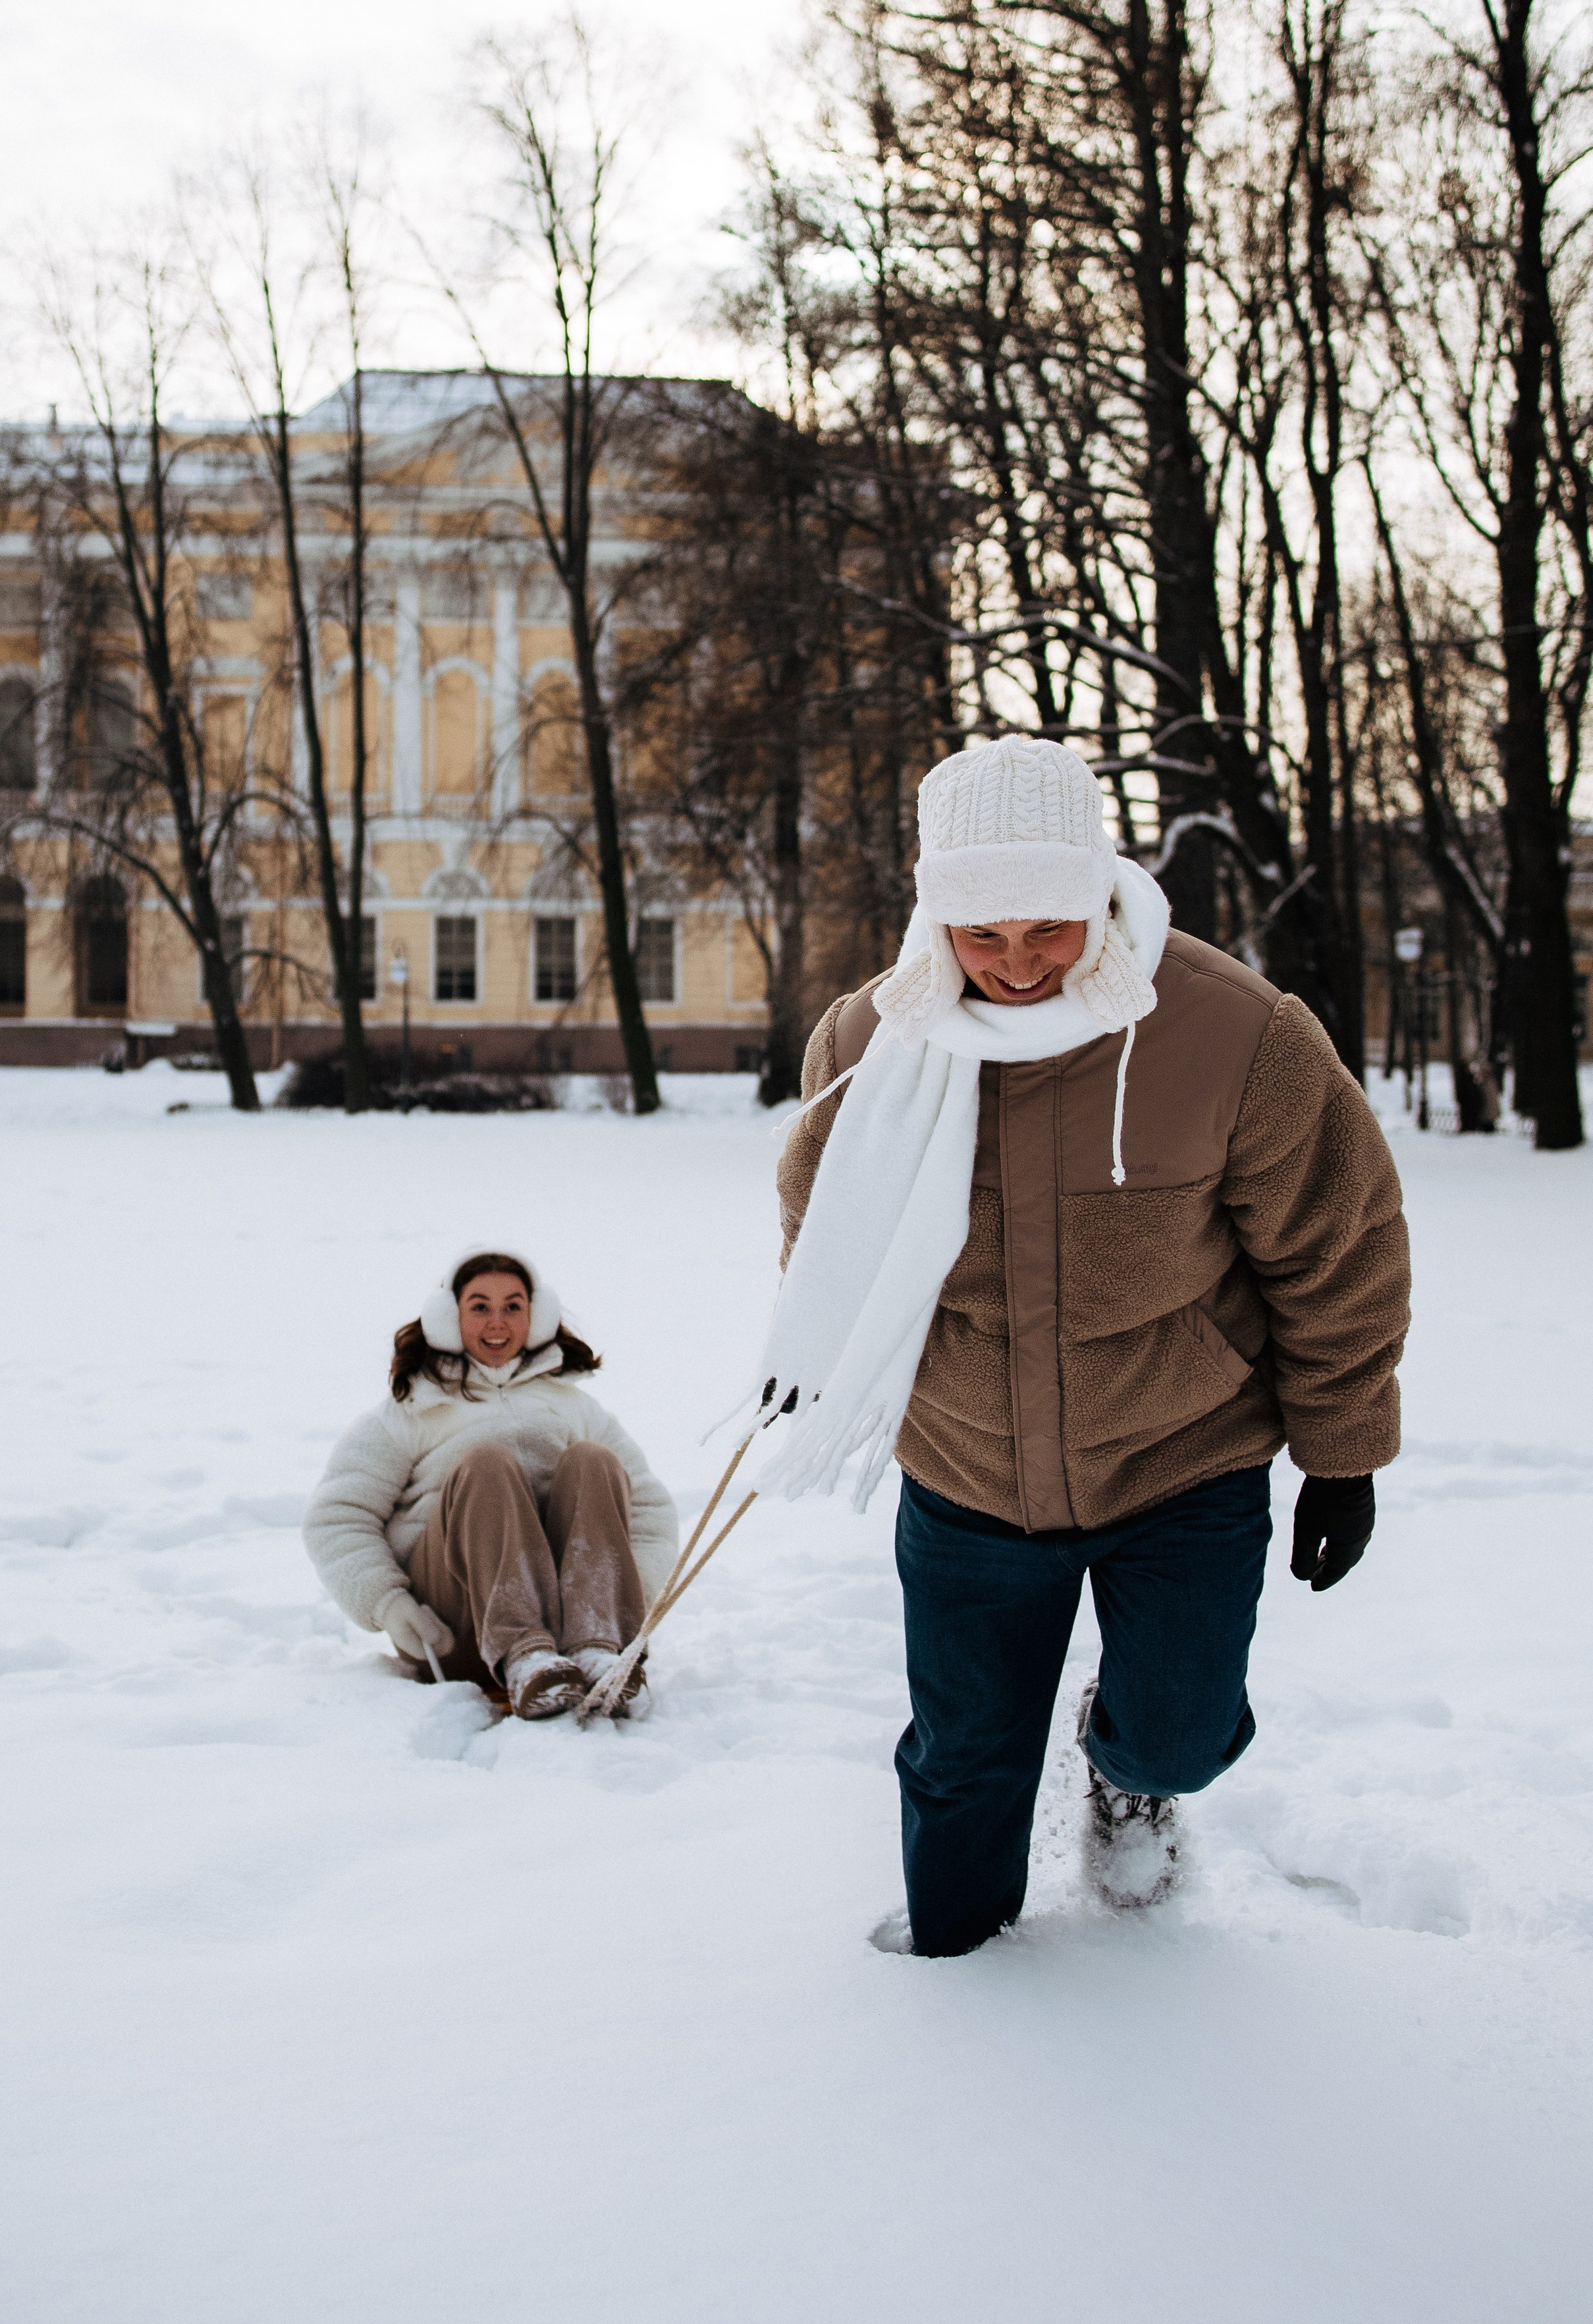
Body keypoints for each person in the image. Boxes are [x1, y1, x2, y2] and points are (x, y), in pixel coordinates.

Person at [766, 737, 1409, 1955]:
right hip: (966, 1472)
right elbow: (822, 1241)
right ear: (935, 915)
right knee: (963, 1767)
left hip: (1181, 1461)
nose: (1015, 967)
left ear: (1099, 890)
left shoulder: (1235, 1034)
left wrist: (1344, 1450)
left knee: (1178, 1725)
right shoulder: (871, 1043)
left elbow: (1341, 1246)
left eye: (1048, 929)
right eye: (982, 935)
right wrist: (834, 1378)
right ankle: (947, 1978)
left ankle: (1131, 1777)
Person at [304, 1249, 678, 1719]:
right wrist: (390, 1606)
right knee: (487, 1463)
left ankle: (596, 1647)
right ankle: (524, 1656)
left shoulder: (574, 1406)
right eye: (479, 1306)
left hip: (569, 1622)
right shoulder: (412, 1408)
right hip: (455, 1630)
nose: (497, 1322)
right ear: (448, 1317)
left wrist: (631, 1591)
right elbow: (337, 1516)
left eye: (513, 1306)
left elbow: (649, 1510)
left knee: (593, 1460)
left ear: (536, 1315)